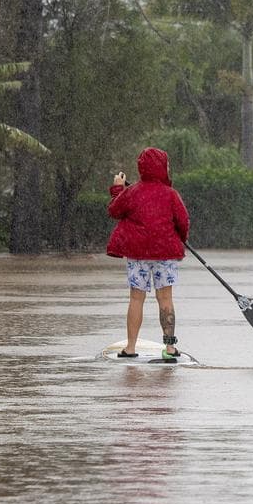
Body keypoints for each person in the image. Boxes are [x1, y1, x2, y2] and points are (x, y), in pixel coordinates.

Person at [106, 147, 190, 362]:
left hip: (138, 255)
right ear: (163, 168)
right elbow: (183, 221)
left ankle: (130, 347)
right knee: (166, 299)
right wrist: (181, 238)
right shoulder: (171, 194)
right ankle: (170, 349)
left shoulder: (132, 192)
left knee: (136, 298)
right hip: (165, 254)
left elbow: (114, 211)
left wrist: (118, 189)